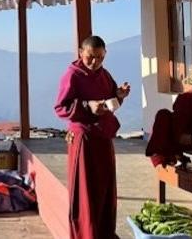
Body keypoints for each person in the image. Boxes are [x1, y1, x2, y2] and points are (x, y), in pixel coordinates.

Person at [54, 35, 131, 239]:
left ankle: (104, 233)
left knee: (105, 188)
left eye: (99, 57)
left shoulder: (104, 75)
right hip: (84, 139)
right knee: (85, 190)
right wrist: (87, 105)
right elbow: (61, 107)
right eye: (90, 57)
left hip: (103, 137)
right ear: (81, 53)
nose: (95, 62)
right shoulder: (73, 75)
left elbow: (110, 102)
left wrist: (119, 96)